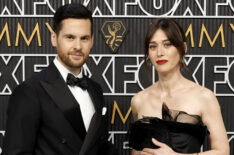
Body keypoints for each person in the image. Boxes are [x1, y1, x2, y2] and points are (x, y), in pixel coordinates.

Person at [3, 3, 118, 155]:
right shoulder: (30, 91)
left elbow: (100, 147)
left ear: (92, 41)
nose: (78, 46)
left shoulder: (96, 90)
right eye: (70, 37)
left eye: (84, 38)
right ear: (54, 38)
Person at [129, 18, 230, 155]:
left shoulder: (204, 97)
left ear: (183, 47)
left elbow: (223, 151)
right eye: (153, 46)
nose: (159, 53)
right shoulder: (138, 100)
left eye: (167, 44)